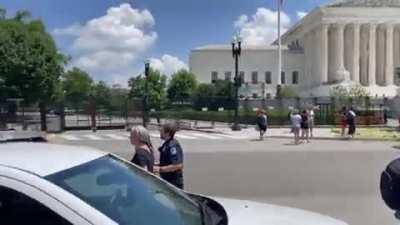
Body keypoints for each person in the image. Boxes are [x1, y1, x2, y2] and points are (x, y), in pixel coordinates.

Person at [155, 123, 184, 189]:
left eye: (161, 131)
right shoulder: (166, 144)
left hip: (173, 183)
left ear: (167, 133)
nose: (160, 132)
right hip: (166, 181)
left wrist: (159, 169)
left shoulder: (172, 146)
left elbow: (178, 165)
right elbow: (167, 162)